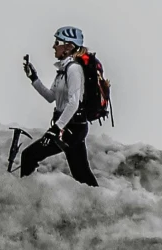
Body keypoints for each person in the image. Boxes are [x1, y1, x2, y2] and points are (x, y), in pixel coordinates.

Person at [18, 25, 103, 186]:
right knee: (82, 174)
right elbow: (51, 97)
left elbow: (74, 102)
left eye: (57, 42)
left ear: (69, 46)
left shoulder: (74, 70)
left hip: (71, 128)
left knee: (29, 155)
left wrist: (57, 129)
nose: (53, 46)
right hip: (70, 128)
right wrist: (33, 78)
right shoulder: (63, 71)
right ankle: (101, 205)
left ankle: (25, 195)